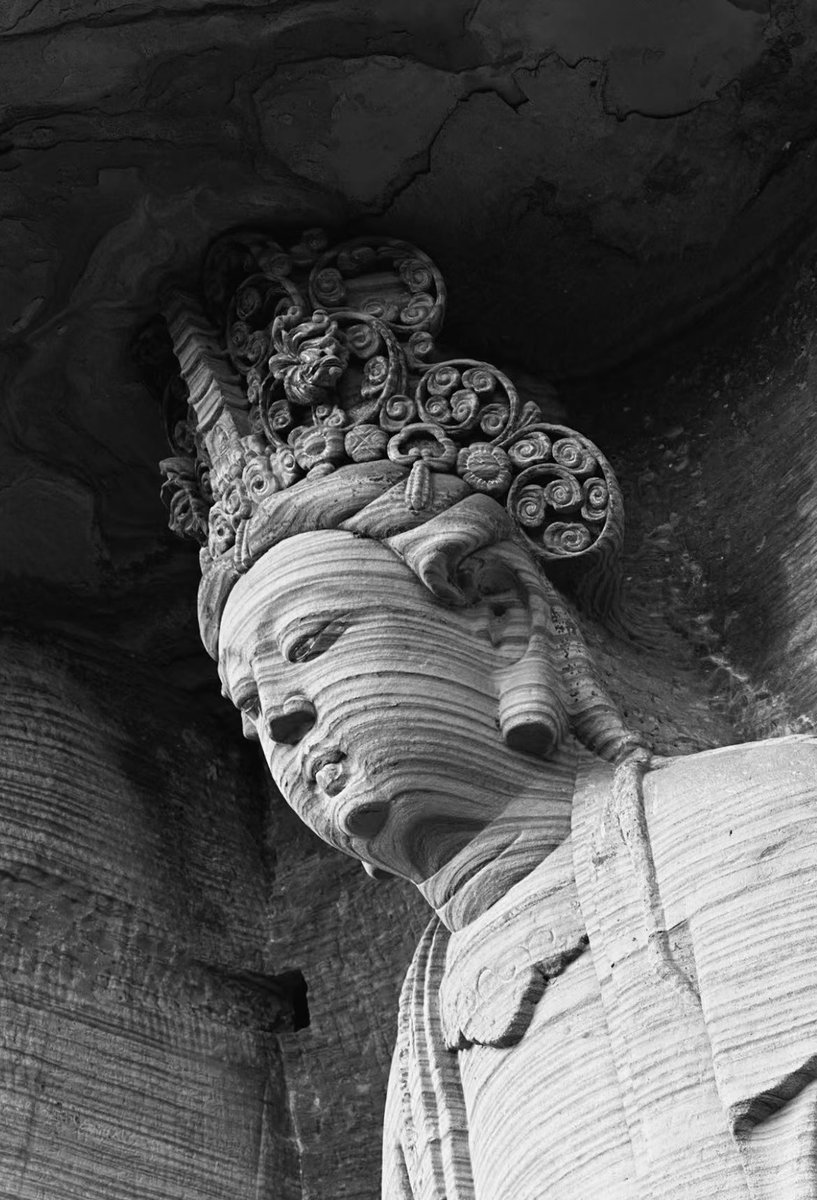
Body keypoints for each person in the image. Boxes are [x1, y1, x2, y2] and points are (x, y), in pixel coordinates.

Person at [215, 467, 817, 1200]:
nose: (280, 718)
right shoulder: (424, 1025)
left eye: (312, 643)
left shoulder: (771, 812)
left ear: (501, 621)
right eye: (250, 704)